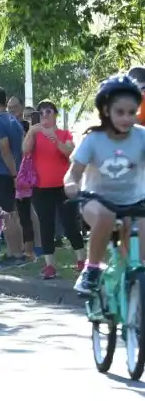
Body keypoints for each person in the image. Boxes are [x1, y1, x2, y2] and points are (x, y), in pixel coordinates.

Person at [64, 75, 145, 296]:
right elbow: (74, 173)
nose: (127, 118)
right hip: (96, 201)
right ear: (106, 110)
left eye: (132, 112)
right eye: (120, 112)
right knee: (106, 215)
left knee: (139, 256)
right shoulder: (93, 139)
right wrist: (71, 184)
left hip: (135, 203)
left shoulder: (142, 137)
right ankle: (91, 270)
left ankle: (135, 292)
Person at [22, 99, 86, 278]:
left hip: (63, 186)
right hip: (41, 188)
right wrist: (31, 133)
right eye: (41, 112)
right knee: (46, 226)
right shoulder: (34, 135)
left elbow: (69, 152)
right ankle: (50, 265)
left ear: (55, 114)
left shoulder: (65, 134)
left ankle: (81, 260)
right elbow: (25, 150)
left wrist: (55, 139)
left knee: (69, 224)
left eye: (48, 111)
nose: (44, 115)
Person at [0, 87, 28, 266]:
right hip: (14, 171)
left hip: (5, 174)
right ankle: (13, 251)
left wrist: (13, 174)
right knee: (13, 215)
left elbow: (4, 150)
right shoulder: (14, 120)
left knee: (7, 216)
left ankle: (16, 255)